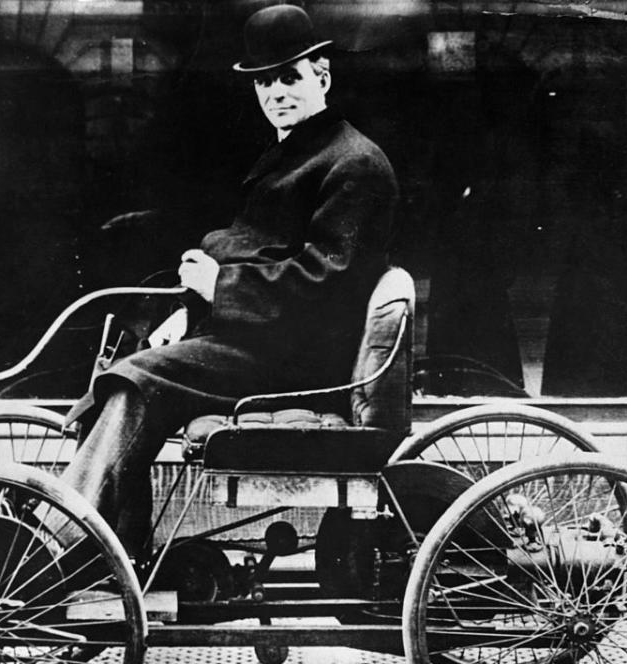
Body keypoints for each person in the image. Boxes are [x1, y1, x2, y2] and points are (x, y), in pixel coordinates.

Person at [58, 3, 398, 557]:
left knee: (137, 381)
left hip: (301, 363)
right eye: (264, 82)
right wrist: (192, 307)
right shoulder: (297, 152)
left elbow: (327, 283)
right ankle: (107, 548)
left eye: (288, 77)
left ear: (323, 75)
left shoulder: (352, 164)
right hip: (260, 341)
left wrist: (220, 288)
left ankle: (66, 544)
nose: (276, 93)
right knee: (124, 368)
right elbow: (255, 247)